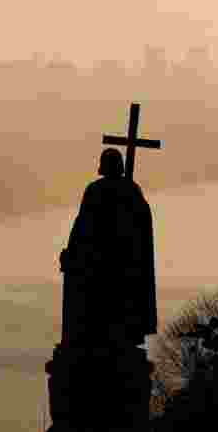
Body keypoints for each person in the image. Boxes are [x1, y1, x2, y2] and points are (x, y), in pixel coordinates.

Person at [59, 148, 156, 347]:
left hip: (107, 262)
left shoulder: (98, 190)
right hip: (118, 263)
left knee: (105, 305)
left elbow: (82, 225)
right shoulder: (131, 191)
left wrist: (72, 250)